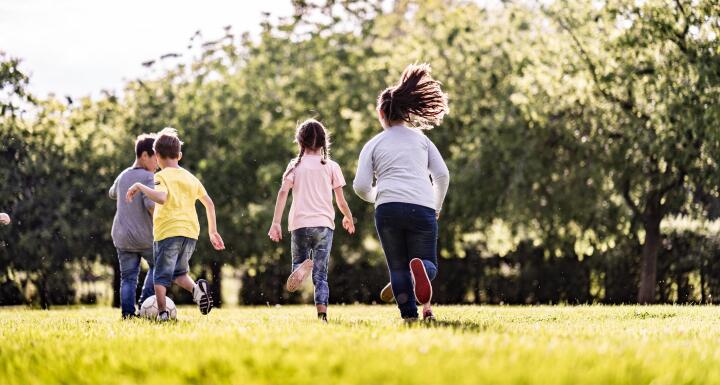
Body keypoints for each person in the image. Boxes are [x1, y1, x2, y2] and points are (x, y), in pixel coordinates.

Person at [353, 63, 450, 322]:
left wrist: (380, 195)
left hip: (388, 209)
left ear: (382, 113)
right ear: (407, 111)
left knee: (397, 267)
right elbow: (442, 175)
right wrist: (437, 205)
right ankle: (421, 271)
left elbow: (360, 186)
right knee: (427, 262)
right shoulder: (422, 140)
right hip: (422, 206)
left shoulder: (373, 144)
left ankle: (409, 316)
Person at [126, 127, 225, 321]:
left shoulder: (161, 176)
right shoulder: (191, 177)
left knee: (160, 277)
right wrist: (212, 231)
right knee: (179, 273)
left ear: (157, 156)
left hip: (168, 232)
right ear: (179, 155)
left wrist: (139, 186)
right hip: (190, 233)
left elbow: (162, 198)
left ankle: (162, 312)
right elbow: (209, 203)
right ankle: (197, 291)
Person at [268, 119, 355, 323]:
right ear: (324, 143)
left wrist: (275, 222)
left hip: (300, 224)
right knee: (321, 275)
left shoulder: (295, 165)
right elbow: (340, 201)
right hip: (324, 226)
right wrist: (348, 218)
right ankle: (322, 315)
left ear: (300, 142)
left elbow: (282, 193)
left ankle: (299, 268)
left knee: (298, 262)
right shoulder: (331, 166)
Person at [109, 133, 158, 318]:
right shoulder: (148, 177)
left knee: (128, 278)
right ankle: (146, 303)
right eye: (155, 158)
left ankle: (128, 314)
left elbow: (112, 193)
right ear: (144, 155)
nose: (157, 163)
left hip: (122, 237)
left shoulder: (123, 175)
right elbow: (151, 206)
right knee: (159, 266)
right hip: (145, 237)